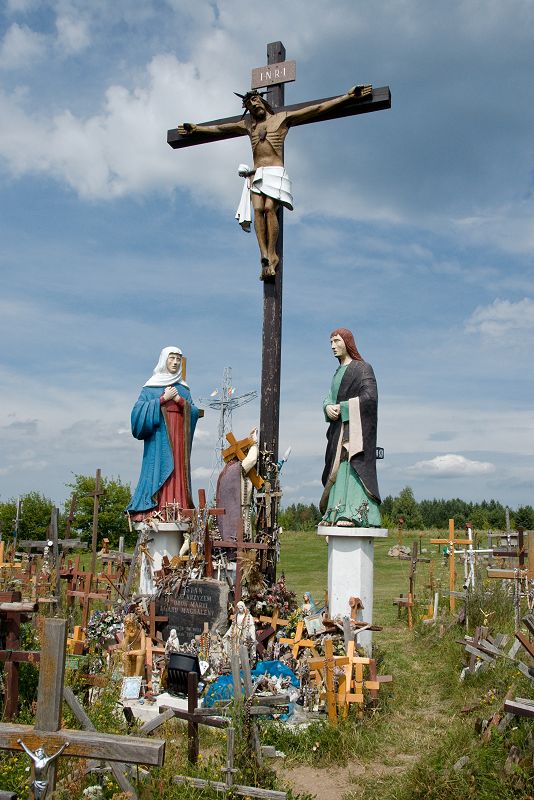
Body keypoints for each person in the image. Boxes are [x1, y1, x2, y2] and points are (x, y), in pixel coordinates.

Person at [178, 85, 371, 279]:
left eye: (255, 101)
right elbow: (220, 128)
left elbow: (316, 109)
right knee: (257, 210)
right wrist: (197, 129)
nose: (254, 106)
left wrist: (346, 97)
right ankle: (264, 255)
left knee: (269, 209)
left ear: (262, 100)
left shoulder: (282, 118)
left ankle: (272, 254)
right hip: (257, 173)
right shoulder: (248, 125)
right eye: (250, 106)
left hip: (275, 172)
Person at [127, 347, 199, 518]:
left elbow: (194, 412)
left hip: (178, 439)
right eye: (171, 358)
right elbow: (137, 413)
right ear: (164, 360)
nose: (175, 362)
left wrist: (179, 400)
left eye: (178, 359)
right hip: (159, 439)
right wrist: (162, 399)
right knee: (159, 467)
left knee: (177, 470)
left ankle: (178, 509)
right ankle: (155, 509)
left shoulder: (184, 389)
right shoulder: (151, 386)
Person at [320, 328, 381, 527]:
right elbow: (329, 397)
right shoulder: (337, 373)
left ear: (348, 342)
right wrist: (327, 407)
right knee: (337, 469)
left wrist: (345, 407)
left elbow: (370, 398)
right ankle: (334, 512)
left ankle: (354, 513)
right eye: (331, 342)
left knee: (351, 464)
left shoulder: (363, 368)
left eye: (337, 341)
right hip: (337, 432)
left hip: (355, 433)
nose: (333, 346)